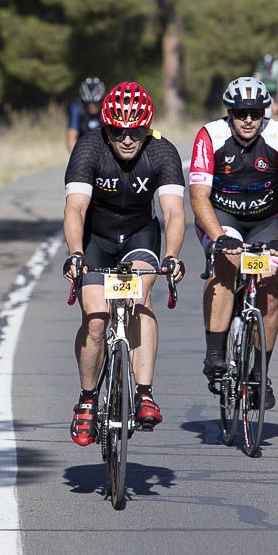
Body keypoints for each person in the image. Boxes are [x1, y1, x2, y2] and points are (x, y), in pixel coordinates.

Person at [62, 81, 186, 446]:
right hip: (96, 241)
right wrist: (75, 252)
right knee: (96, 320)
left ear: (147, 127)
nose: (128, 139)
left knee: (141, 298)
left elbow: (174, 212)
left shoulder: (162, 152)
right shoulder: (89, 147)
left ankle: (144, 392)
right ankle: (87, 401)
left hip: (138, 237)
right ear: (106, 127)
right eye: (118, 131)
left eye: (136, 131)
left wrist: (173, 256)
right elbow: (75, 208)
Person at [189, 76, 278, 410]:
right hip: (222, 216)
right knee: (226, 265)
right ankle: (214, 352)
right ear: (230, 112)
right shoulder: (210, 135)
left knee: (271, 283)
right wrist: (219, 237)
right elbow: (198, 196)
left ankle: (259, 371)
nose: (249, 119)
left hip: (266, 219)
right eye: (241, 113)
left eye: (255, 112)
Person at [66, 77, 106, 151]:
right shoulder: (77, 107)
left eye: (96, 103)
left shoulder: (108, 107)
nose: (92, 106)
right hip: (83, 150)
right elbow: (71, 139)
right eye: (89, 104)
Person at [254, 52, 278, 119]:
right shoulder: (261, 65)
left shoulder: (277, 66)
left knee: (275, 110)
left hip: (274, 91)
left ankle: (277, 127)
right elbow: (257, 80)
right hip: (264, 91)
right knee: (262, 111)